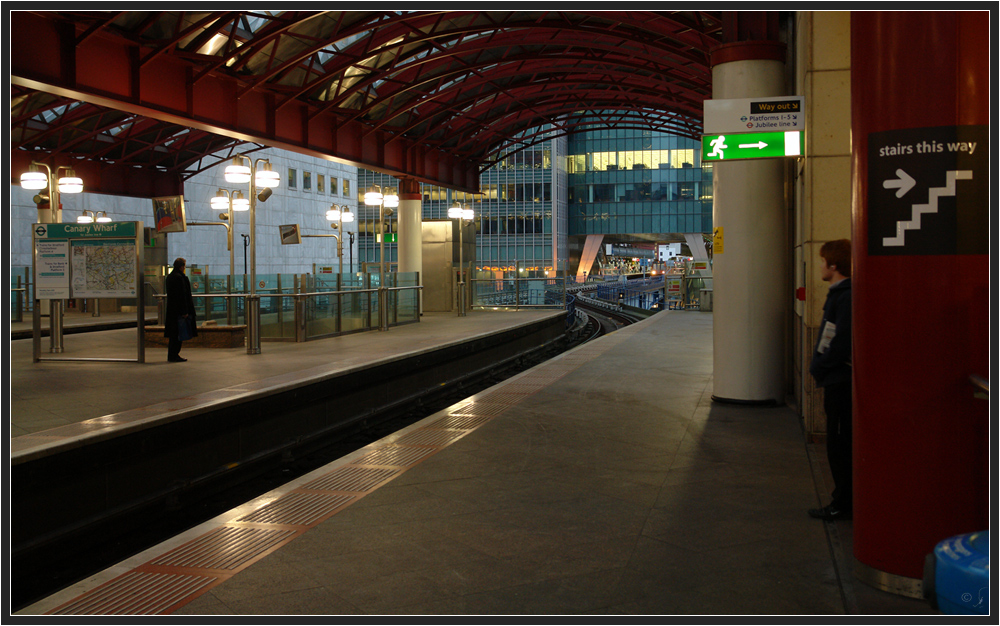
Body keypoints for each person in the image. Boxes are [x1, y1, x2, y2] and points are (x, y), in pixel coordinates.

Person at [808, 239, 853, 521]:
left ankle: (843, 503)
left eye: (823, 261)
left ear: (834, 265)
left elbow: (840, 341)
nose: (820, 265)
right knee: (837, 442)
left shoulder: (846, 296)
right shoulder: (840, 293)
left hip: (839, 381)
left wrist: (821, 366)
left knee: (839, 443)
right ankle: (843, 499)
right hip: (834, 377)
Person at [164, 257, 197, 362]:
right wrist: (184, 311)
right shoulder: (179, 278)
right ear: (182, 266)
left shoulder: (170, 277)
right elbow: (182, 296)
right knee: (178, 334)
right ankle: (174, 355)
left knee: (173, 334)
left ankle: (172, 354)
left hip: (172, 310)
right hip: (179, 311)